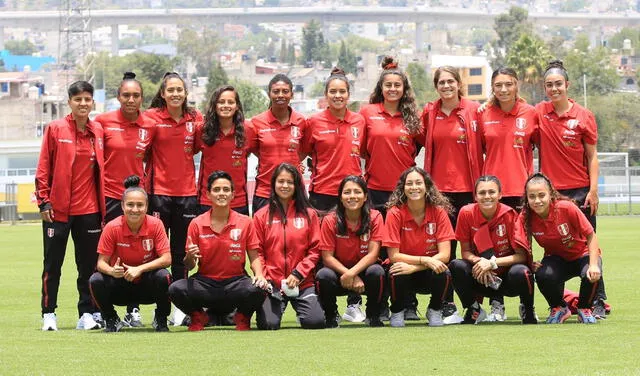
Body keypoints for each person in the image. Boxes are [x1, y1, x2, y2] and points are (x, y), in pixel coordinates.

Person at [535, 60, 607, 317]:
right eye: (549, 85)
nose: (554, 89)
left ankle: (598, 301)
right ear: (544, 88)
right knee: (556, 248)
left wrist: (593, 189)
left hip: (580, 192)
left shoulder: (584, 116)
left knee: (589, 246)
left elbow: (592, 156)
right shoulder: (539, 113)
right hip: (551, 195)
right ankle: (559, 301)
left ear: (567, 85)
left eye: (558, 84)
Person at [36, 81, 106, 331]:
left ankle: (86, 313)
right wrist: (43, 200)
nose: (83, 104)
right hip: (58, 210)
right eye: (78, 99)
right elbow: (44, 166)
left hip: (89, 211)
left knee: (87, 266)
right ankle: (48, 313)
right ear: (70, 102)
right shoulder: (56, 129)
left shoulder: (97, 130)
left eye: (87, 99)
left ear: (92, 102)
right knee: (52, 264)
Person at [359, 56, 423, 321]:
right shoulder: (368, 113)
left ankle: (407, 302)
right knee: (380, 252)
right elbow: (361, 148)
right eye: (389, 85)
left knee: (405, 248)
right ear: (381, 88)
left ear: (404, 89)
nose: (393, 89)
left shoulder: (413, 118)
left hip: (404, 194)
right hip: (375, 191)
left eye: (398, 85)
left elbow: (417, 146)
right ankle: (380, 304)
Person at [168, 171, 269, 331]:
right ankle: (198, 316)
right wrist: (190, 256)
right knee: (175, 289)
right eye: (216, 190)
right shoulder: (197, 223)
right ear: (208, 194)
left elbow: (254, 255)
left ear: (233, 194)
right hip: (205, 284)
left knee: (259, 288)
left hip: (236, 283)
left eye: (226, 189)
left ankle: (242, 317)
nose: (221, 193)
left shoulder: (245, 222)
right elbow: (188, 265)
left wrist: (259, 275)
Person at [476, 67, 538, 321]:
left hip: (520, 195)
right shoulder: (483, 114)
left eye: (508, 84)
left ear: (517, 85)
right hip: (491, 196)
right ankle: (496, 304)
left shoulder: (531, 113)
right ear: (493, 87)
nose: (503, 89)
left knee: (523, 251)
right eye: (498, 85)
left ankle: (527, 305)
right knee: (490, 252)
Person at [421, 66, 482, 323]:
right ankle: (446, 305)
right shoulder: (429, 112)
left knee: (475, 249)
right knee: (444, 252)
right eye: (441, 82)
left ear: (459, 84)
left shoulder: (474, 110)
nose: (446, 86)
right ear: (436, 86)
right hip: (439, 194)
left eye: (450, 81)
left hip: (469, 192)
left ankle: (476, 303)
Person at [95, 72, 155, 327]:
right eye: (126, 95)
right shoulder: (102, 122)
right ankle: (101, 310)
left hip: (136, 199)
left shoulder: (150, 125)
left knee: (137, 252)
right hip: (110, 196)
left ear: (142, 98)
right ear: (118, 97)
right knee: (109, 254)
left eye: (136, 95)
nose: (131, 99)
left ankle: (134, 310)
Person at [145, 72, 202, 324]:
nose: (176, 94)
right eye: (171, 90)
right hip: (158, 194)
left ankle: (180, 306)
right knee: (157, 253)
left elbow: (199, 146)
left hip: (188, 194)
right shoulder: (151, 118)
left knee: (181, 253)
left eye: (180, 89)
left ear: (186, 93)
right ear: (163, 93)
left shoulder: (195, 118)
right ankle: (158, 309)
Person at [449, 175, 537, 325]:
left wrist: (492, 263)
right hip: (482, 277)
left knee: (521, 271)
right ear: (475, 196)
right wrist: (480, 262)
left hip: (506, 278)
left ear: (500, 194)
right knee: (456, 266)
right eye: (482, 193)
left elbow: (521, 256)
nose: (487, 196)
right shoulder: (466, 213)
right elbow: (465, 252)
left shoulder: (509, 214)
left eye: (492, 192)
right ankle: (474, 309)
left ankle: (527, 309)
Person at [89, 176, 172, 332]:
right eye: (130, 205)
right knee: (96, 280)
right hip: (120, 284)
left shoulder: (156, 224)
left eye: (140, 205)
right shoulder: (112, 227)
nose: (135, 209)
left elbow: (167, 259)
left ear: (147, 206)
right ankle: (111, 318)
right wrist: (112, 271)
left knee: (164, 276)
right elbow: (101, 263)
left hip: (146, 284)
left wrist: (139, 269)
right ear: (122, 206)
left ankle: (161, 319)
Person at [519, 173, 602, 324]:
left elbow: (591, 236)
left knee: (592, 273)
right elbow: (522, 242)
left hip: (581, 254)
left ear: (550, 194)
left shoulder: (566, 208)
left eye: (541, 195)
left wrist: (594, 264)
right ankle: (559, 307)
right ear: (527, 197)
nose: (537, 201)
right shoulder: (526, 216)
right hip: (556, 259)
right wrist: (530, 262)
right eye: (532, 196)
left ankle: (584, 308)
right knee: (543, 275)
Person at [253, 163, 325, 329]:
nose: (285, 186)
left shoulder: (309, 214)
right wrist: (266, 277)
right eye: (281, 181)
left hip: (302, 282)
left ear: (297, 185)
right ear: (274, 184)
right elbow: (258, 252)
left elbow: (314, 250)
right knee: (268, 324)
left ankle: (304, 310)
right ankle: (276, 306)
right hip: (273, 284)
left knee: (315, 322)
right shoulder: (260, 216)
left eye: (290, 182)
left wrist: (299, 273)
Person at [383, 167, 454, 327]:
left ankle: (435, 310)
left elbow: (445, 254)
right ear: (403, 188)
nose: (414, 187)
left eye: (418, 183)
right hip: (404, 273)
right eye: (409, 183)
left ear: (427, 186)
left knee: (443, 270)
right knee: (396, 269)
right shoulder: (394, 213)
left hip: (425, 273)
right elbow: (394, 256)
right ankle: (397, 311)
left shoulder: (439, 212)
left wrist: (415, 267)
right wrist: (425, 260)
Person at [315, 176, 386, 328]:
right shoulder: (330, 220)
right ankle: (331, 315)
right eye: (347, 192)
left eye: (357, 192)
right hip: (339, 274)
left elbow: (373, 254)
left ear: (365, 196)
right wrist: (348, 274)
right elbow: (327, 257)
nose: (352, 196)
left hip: (363, 273)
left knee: (377, 271)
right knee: (323, 275)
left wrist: (352, 274)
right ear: (340, 197)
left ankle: (373, 315)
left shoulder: (375, 217)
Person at [302, 67, 366, 211]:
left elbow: (363, 153)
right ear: (326, 95)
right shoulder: (313, 122)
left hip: (352, 192)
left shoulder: (359, 121)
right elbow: (303, 152)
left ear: (349, 94)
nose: (338, 96)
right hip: (322, 193)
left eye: (342, 91)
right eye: (333, 92)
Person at [247, 74, 307, 212]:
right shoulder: (256, 122)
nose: (280, 95)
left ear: (291, 94)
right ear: (269, 94)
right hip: (265, 192)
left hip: (294, 191)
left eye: (285, 91)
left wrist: (293, 161)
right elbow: (256, 150)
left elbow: (305, 149)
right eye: (276, 91)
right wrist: (269, 159)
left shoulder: (302, 122)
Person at [197, 85, 250, 216]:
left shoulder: (249, 130)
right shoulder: (201, 130)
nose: (226, 105)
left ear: (237, 106)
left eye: (230, 102)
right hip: (208, 201)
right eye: (221, 102)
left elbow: (260, 153)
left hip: (238, 201)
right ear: (214, 105)